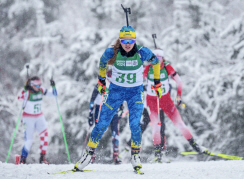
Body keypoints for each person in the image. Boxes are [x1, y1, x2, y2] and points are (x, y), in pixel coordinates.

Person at [74, 26, 162, 172]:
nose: (128, 44)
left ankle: (135, 156)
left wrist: (157, 83)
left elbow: (156, 63)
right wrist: (101, 81)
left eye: (131, 40)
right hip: (116, 92)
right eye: (124, 41)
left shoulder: (142, 52)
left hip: (135, 93)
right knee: (101, 123)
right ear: (120, 41)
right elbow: (102, 63)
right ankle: (88, 155)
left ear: (135, 40)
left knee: (135, 124)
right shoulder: (113, 52)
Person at [144, 48, 208, 162]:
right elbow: (138, 81)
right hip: (152, 101)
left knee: (179, 123)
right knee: (156, 127)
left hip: (165, 100)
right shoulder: (147, 69)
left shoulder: (167, 67)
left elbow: (179, 82)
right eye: (153, 58)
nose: (156, 61)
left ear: (163, 58)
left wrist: (178, 96)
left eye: (159, 58)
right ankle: (158, 154)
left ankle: (195, 145)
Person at [17, 76, 57, 164]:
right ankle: (22, 159)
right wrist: (24, 90)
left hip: (39, 116)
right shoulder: (28, 92)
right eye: (37, 86)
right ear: (32, 85)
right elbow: (19, 98)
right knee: (29, 140)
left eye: (40, 85)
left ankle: (42, 158)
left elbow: (54, 94)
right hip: (28, 118)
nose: (39, 87)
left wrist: (53, 86)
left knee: (45, 135)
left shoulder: (41, 90)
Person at [87, 80, 123, 164]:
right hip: (101, 109)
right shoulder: (100, 84)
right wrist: (90, 114)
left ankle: (116, 155)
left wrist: (121, 108)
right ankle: (91, 155)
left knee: (115, 132)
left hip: (113, 109)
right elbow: (92, 100)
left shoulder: (117, 83)